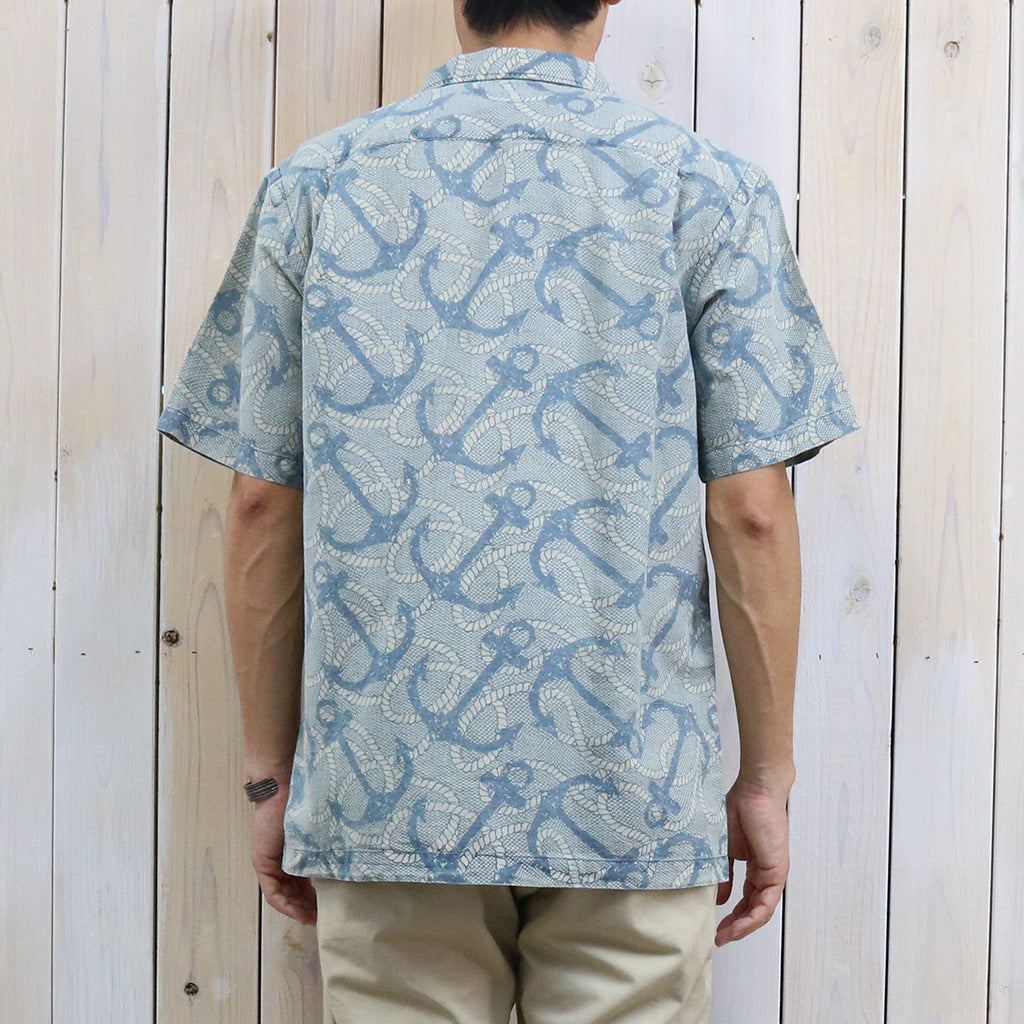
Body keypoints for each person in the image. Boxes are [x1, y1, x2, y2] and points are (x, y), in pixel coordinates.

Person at [157, 0, 860, 1020]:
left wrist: (273, 779)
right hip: (629, 790)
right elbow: (753, 510)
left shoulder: (318, 184)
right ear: (605, 1)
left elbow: (262, 502)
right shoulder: (706, 189)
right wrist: (764, 777)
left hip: (391, 791)